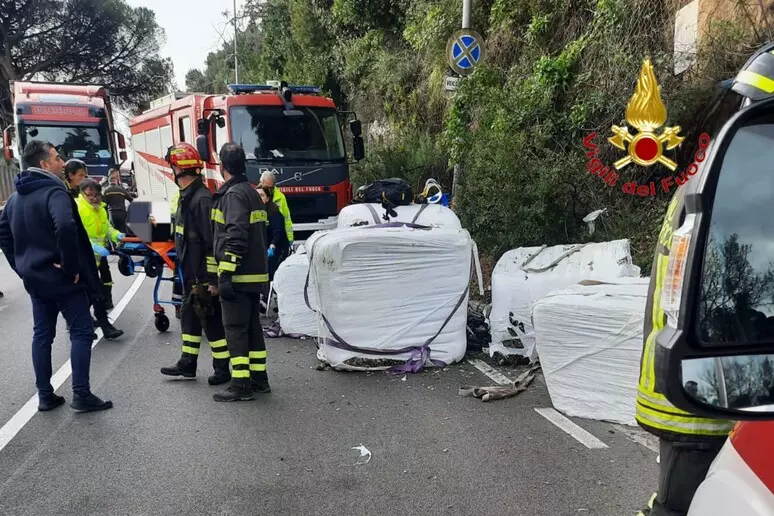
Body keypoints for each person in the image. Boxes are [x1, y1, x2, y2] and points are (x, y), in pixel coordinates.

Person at [635, 183, 734, 516]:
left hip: (682, 384)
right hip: (703, 399)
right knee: (680, 507)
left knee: (674, 504)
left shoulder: (696, 186)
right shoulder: (728, 181)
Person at [0, 140, 113, 412]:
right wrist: (71, 267)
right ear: (44, 165)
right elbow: (64, 225)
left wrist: (22, 266)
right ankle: (82, 395)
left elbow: (3, 234)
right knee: (83, 331)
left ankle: (45, 395)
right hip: (63, 280)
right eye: (57, 158)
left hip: (36, 279)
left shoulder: (16, 198)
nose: (62, 163)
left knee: (42, 335)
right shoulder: (55, 192)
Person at [160, 143, 231, 385]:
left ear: (178, 169)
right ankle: (187, 364)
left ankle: (222, 369)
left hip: (202, 276)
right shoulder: (186, 198)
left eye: (172, 166)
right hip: (189, 274)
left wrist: (212, 280)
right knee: (189, 318)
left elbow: (212, 244)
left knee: (211, 323)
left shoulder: (201, 200)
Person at [211, 142, 271, 402]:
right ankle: (260, 379)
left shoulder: (233, 195)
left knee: (235, 329)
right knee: (253, 329)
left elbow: (235, 235)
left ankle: (240, 385)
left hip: (238, 274)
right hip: (255, 274)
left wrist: (225, 273)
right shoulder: (251, 193)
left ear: (223, 167)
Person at [77, 180, 123, 311]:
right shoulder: (78, 209)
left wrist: (117, 235)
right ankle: (82, 318)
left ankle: (106, 303)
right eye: (90, 195)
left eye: (97, 195)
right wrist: (93, 246)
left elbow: (107, 228)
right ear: (82, 194)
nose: (94, 198)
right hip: (84, 255)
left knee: (105, 279)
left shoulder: (101, 210)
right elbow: (77, 235)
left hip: (99, 255)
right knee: (88, 287)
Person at [258, 186, 290, 281]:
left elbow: (278, 231)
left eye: (262, 195)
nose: (259, 198)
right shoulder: (254, 212)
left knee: (273, 273)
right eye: (257, 195)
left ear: (267, 198)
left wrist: (272, 246)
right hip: (264, 249)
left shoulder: (274, 213)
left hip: (277, 248)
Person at [259, 171, 293, 245]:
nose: (269, 190)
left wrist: (290, 238)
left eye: (271, 187)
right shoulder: (255, 196)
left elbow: (287, 219)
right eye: (266, 187)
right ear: (261, 183)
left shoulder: (280, 197)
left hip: (276, 238)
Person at [103, 168, 136, 233]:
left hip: (112, 213)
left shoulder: (105, 190)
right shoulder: (121, 189)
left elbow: (104, 204)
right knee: (123, 231)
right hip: (122, 213)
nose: (118, 178)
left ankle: (117, 243)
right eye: (117, 176)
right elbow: (131, 199)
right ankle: (123, 242)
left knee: (113, 231)